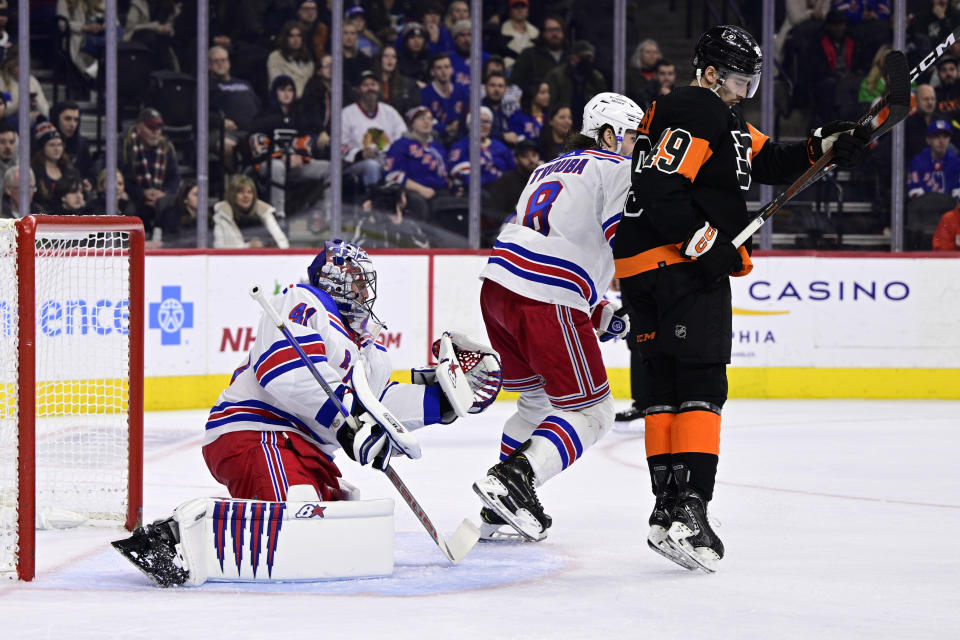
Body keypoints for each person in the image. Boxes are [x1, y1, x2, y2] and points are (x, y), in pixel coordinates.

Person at [613, 25, 870, 573]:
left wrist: (825, 142)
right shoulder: (697, 109)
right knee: (703, 385)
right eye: (736, 81)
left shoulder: (712, 116)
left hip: (644, 269)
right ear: (709, 73)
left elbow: (770, 159)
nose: (742, 91)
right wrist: (703, 242)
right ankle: (689, 510)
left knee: (665, 391)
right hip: (676, 266)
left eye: (750, 83)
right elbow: (660, 185)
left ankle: (666, 511)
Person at [112, 239, 503, 586]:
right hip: (253, 432)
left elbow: (379, 405)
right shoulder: (303, 303)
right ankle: (176, 535)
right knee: (296, 516)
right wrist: (348, 425)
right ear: (333, 281)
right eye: (356, 282)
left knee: (324, 527)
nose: (365, 291)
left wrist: (440, 403)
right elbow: (283, 372)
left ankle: (209, 527)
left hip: (300, 449)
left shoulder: (368, 350)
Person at [473, 92, 642, 543]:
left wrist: (600, 309)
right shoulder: (617, 169)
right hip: (547, 296)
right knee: (593, 413)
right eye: (631, 137)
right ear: (609, 134)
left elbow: (552, 240)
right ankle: (516, 480)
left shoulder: (545, 169)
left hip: (497, 289)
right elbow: (623, 243)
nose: (637, 149)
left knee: (537, 405)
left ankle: (498, 506)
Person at [251, 75, 330, 221]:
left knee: (329, 168)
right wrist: (280, 156)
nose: (287, 94)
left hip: (295, 164)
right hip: (269, 164)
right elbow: (257, 143)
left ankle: (327, 211)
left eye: (290, 90)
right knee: (278, 167)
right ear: (275, 92)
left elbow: (305, 140)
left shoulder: (299, 116)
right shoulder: (263, 116)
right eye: (282, 90)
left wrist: (300, 156)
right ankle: (278, 215)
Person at [341, 70, 408, 190]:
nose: (370, 88)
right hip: (357, 164)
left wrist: (392, 153)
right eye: (365, 85)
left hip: (387, 160)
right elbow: (339, 146)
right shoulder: (346, 113)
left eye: (373, 84)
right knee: (371, 166)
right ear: (357, 90)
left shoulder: (389, 111)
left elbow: (403, 136)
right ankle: (372, 201)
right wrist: (360, 154)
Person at [119, 107, 181, 233]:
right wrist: (142, 193)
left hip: (160, 197)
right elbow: (119, 177)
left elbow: (174, 177)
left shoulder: (167, 147)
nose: (156, 132)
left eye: (159, 128)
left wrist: (163, 194)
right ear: (139, 127)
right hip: (133, 196)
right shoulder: (125, 145)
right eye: (151, 128)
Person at [384, 106, 450, 222]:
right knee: (419, 202)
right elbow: (393, 174)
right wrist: (421, 189)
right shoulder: (400, 145)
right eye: (421, 118)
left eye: (429, 119)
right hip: (413, 191)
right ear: (411, 124)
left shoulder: (437, 147)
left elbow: (446, 173)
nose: (426, 122)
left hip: (439, 191)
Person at [209, 45, 262, 167]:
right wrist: (220, 121)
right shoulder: (206, 85)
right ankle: (234, 180)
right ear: (209, 65)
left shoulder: (244, 83)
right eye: (216, 61)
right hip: (221, 132)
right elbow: (198, 113)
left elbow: (260, 108)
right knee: (228, 146)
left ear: (229, 63)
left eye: (223, 60)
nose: (220, 64)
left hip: (250, 132)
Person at [212, 174, 289, 248]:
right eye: (241, 192)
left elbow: (282, 243)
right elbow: (219, 248)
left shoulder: (265, 213)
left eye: (249, 192)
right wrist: (248, 247)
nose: (246, 196)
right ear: (232, 195)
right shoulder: (222, 216)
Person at [448, 106, 515, 191]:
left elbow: (513, 171)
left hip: (504, 192)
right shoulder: (460, 147)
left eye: (486, 122)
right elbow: (462, 174)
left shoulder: (501, 147)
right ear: (470, 124)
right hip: (476, 193)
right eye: (478, 121)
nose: (482, 125)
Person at [544, 41, 607, 130]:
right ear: (573, 59)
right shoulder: (557, 76)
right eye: (584, 58)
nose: (587, 61)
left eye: (590, 58)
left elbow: (603, 106)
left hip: (587, 125)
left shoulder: (596, 78)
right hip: (562, 124)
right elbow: (550, 105)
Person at [510, 14, 567, 95]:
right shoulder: (529, 55)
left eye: (557, 29)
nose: (554, 34)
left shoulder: (571, 56)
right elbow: (515, 83)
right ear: (543, 33)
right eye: (550, 30)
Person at [421, 52, 470, 145]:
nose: (444, 71)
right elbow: (423, 121)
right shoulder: (425, 93)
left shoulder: (461, 90)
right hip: (435, 140)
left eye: (447, 67)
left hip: (460, 138)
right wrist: (447, 128)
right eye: (439, 68)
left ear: (452, 70)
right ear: (432, 72)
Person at [31, 122, 78, 212]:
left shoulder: (70, 170)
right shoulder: (35, 171)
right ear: (42, 147)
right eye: (52, 145)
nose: (57, 149)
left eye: (59, 145)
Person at [908, 119, 960, 199]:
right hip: (923, 209)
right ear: (928, 140)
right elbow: (914, 192)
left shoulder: (956, 162)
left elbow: (957, 191)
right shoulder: (918, 161)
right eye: (936, 136)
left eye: (945, 136)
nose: (941, 141)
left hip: (949, 209)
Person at [50, 100, 93, 187]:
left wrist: (87, 182)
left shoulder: (81, 144)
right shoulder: (44, 143)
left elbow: (88, 173)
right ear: (56, 119)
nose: (73, 124)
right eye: (68, 119)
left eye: (76, 120)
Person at [267, 21, 315, 98]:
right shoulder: (276, 57)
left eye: (299, 36)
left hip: (306, 102)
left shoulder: (308, 60)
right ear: (285, 38)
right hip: (284, 100)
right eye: (291, 36)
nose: (296, 39)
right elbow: (276, 83)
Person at [374, 45, 421, 118]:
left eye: (393, 57)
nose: (390, 59)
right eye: (386, 56)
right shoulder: (372, 83)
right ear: (380, 59)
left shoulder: (406, 84)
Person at [906, 84, 944, 160]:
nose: (930, 102)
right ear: (916, 101)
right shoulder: (906, 124)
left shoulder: (944, 121)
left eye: (933, 99)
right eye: (926, 99)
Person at [481, 71, 517, 145]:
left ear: (505, 89)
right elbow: (476, 132)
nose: (496, 89)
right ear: (485, 87)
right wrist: (503, 136)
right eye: (492, 85)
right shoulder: (477, 108)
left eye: (500, 86)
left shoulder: (506, 110)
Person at [501, 0, 538, 67]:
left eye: (523, 7)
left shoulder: (536, 34)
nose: (520, 10)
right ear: (510, 11)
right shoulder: (501, 33)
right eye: (516, 7)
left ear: (528, 11)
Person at [342, 20, 374, 93]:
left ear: (356, 36)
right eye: (345, 33)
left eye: (352, 33)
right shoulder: (333, 57)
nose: (349, 37)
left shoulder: (363, 58)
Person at [626, 38, 661, 104]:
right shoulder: (631, 76)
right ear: (640, 54)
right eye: (648, 52)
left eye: (655, 52)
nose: (652, 55)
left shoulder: (663, 74)